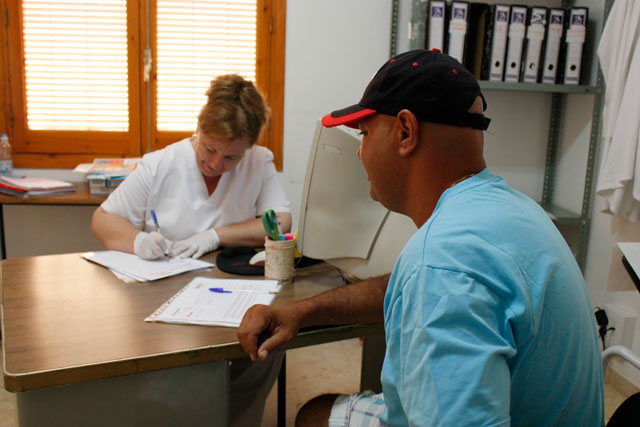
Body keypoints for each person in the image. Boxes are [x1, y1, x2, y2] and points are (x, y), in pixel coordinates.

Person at [237, 50, 604, 426]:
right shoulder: (513, 209)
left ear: (406, 132)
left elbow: (438, 280)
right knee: (318, 412)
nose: (360, 153)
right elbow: (400, 285)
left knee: (312, 419)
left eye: (364, 134)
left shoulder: (441, 262)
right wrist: (302, 311)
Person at [91, 73, 291, 426]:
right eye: (209, 149)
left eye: (230, 157)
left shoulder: (258, 162)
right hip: (168, 293)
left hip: (231, 292)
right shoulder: (161, 164)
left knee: (264, 343)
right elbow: (103, 220)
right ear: (198, 129)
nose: (216, 164)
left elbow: (279, 222)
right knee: (176, 380)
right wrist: (137, 241)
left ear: (247, 148)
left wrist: (213, 236)